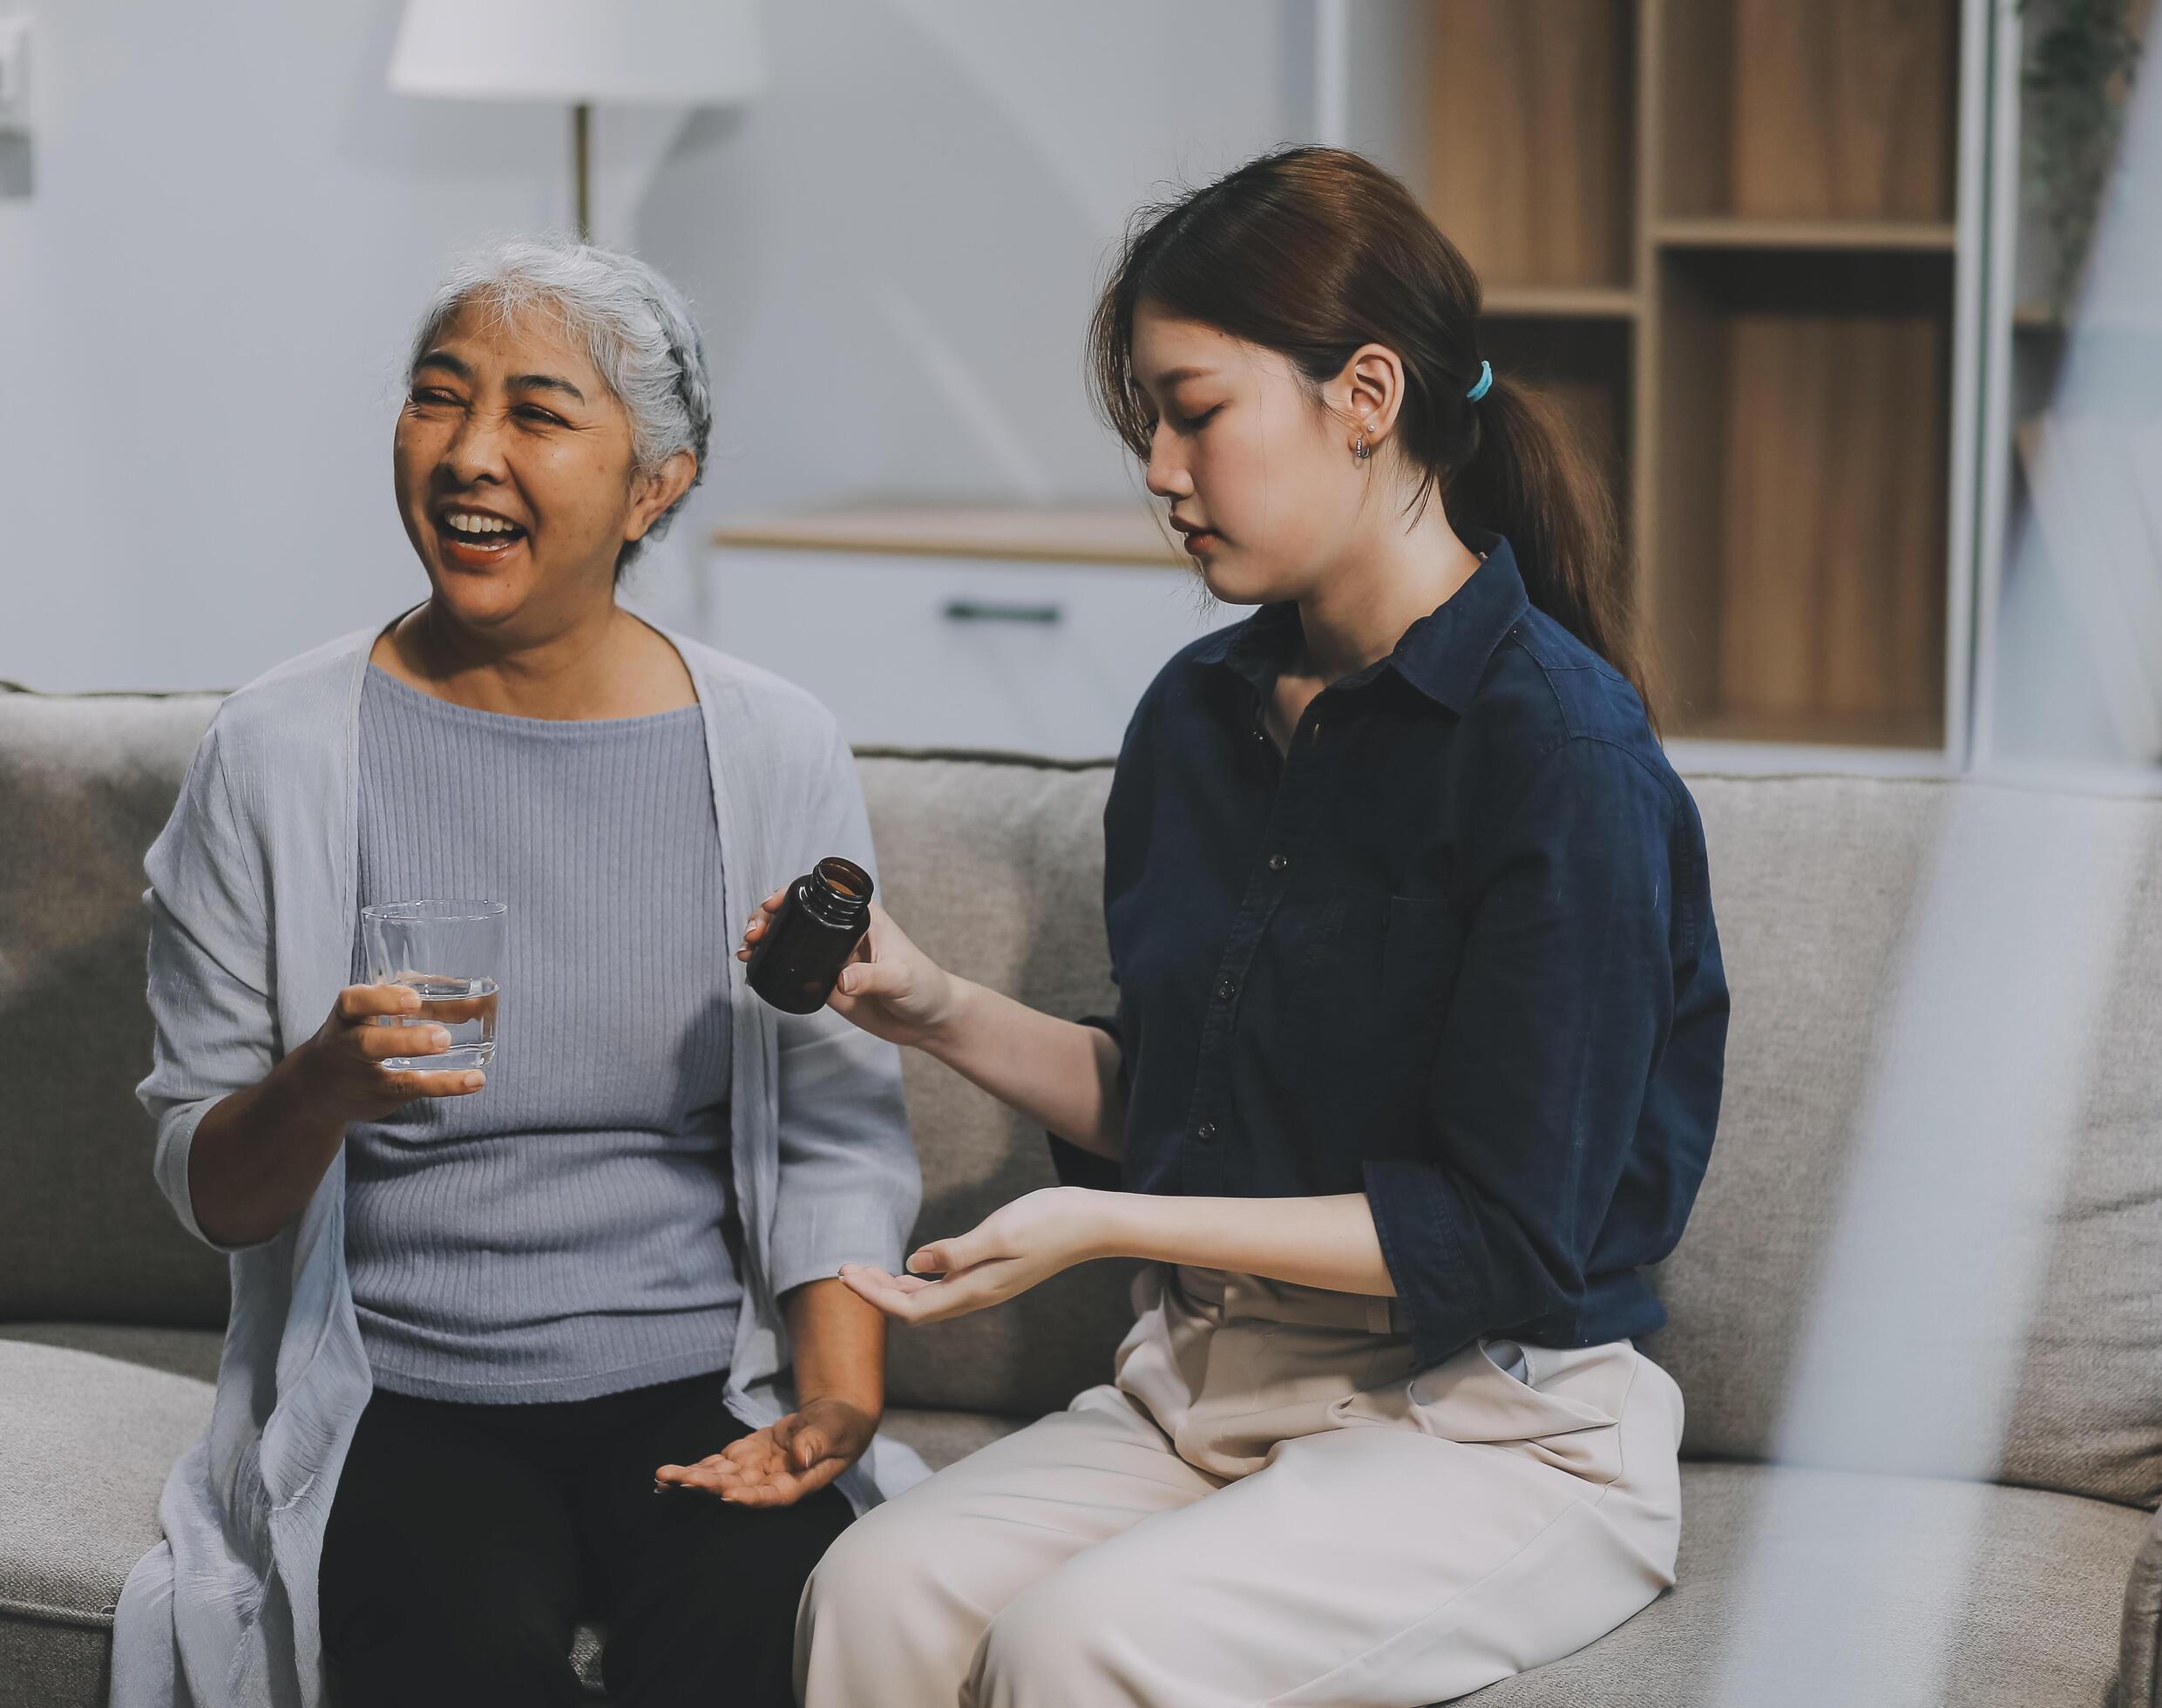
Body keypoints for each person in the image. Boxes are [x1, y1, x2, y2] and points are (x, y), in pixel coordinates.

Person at [784, 146, 1730, 1708]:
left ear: (1365, 394)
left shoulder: (1557, 755)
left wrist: (1112, 1225)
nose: (1159, 467)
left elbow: (1501, 1239)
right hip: (1209, 1390)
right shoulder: (1199, 717)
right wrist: (933, 1002)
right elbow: (1187, 1107)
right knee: (870, 1592)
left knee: (1074, 1644)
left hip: (1493, 1431)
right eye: (1148, 422)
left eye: (1195, 411)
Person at [112, 237, 923, 1708]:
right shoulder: (278, 753)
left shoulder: (772, 748)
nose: (472, 455)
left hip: (693, 1375)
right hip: (405, 1387)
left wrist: (837, 1397)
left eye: (540, 415)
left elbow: (832, 1123)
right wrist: (321, 1087)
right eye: (439, 400)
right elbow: (211, 1186)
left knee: (767, 1635)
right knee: (450, 1658)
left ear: (655, 486)